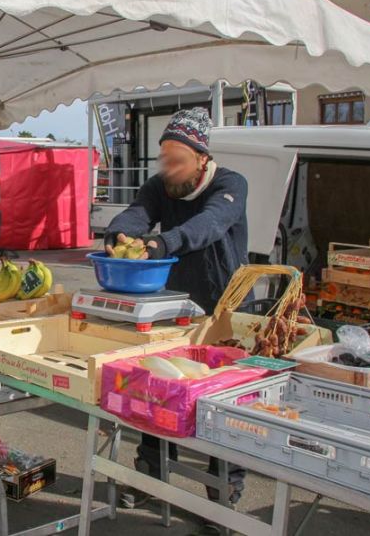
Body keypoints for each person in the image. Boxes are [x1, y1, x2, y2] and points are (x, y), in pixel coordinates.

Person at [103, 107, 249, 516]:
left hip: (223, 312)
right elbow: (137, 213)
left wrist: (161, 244)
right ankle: (150, 476)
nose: (168, 169)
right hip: (173, 308)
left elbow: (210, 224)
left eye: (177, 160)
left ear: (201, 157)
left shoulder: (230, 184)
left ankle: (225, 495)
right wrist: (119, 233)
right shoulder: (160, 186)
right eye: (164, 158)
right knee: (158, 390)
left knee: (221, 407)